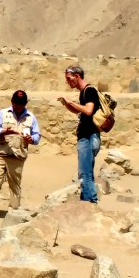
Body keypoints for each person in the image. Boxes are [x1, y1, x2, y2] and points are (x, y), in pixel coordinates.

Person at [58, 65, 101, 203]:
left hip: (88, 137)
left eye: (69, 79)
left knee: (85, 173)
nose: (68, 82)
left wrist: (71, 102)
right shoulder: (83, 92)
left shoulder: (89, 91)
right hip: (87, 136)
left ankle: (90, 203)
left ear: (77, 76)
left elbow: (88, 111)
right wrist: (66, 104)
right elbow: (79, 111)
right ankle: (88, 200)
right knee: (86, 172)